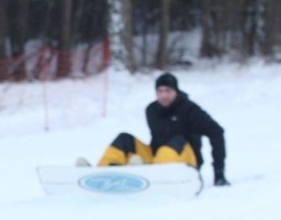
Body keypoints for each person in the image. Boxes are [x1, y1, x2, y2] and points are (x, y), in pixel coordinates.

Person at [94, 72, 229, 186]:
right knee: (124, 139)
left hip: (186, 162)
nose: (163, 95)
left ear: (176, 91)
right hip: (157, 158)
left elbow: (217, 132)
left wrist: (219, 173)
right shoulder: (152, 110)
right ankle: (105, 172)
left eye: (168, 91)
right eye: (160, 91)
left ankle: (147, 173)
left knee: (172, 144)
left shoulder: (190, 110)